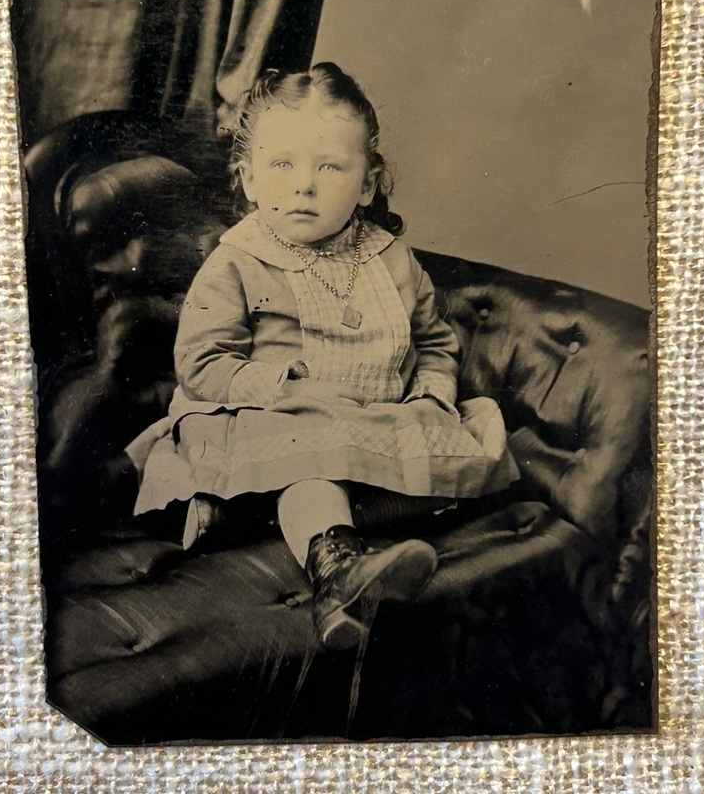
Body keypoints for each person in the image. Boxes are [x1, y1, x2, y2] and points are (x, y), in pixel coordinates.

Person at [126, 62, 519, 650]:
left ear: (367, 184)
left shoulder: (392, 259)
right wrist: (283, 389)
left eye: (329, 167)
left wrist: (432, 394)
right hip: (273, 416)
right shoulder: (239, 260)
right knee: (308, 465)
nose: (303, 185)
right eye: (281, 165)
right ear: (249, 179)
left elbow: (434, 342)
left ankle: (236, 514)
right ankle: (338, 573)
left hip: (374, 418)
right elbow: (203, 364)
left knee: (457, 453)